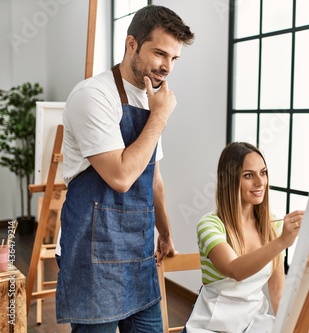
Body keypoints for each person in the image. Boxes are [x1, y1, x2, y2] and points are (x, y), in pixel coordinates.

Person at [56, 5, 195, 332]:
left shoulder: (151, 99)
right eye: (160, 53)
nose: (166, 67)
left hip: (139, 251)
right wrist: (160, 117)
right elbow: (120, 176)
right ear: (131, 43)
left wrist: (166, 231)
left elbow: (153, 177)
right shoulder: (93, 95)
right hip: (93, 254)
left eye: (174, 59)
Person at [183, 142, 304, 333]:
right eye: (249, 175)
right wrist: (281, 242)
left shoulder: (273, 225)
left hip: (253, 323)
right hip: (211, 327)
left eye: (263, 173)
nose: (260, 182)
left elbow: (278, 294)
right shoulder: (210, 225)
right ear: (230, 181)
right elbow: (234, 270)